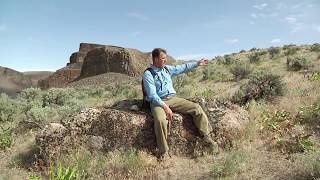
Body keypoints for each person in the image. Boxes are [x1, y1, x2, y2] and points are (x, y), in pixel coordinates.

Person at [143, 48, 214, 159]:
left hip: (173, 98)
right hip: (158, 101)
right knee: (161, 120)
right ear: (155, 59)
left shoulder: (166, 69)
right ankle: (163, 151)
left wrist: (197, 63)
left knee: (196, 108)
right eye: (163, 59)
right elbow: (152, 95)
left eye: (166, 58)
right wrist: (165, 107)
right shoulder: (148, 74)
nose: (165, 61)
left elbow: (181, 68)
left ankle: (206, 137)